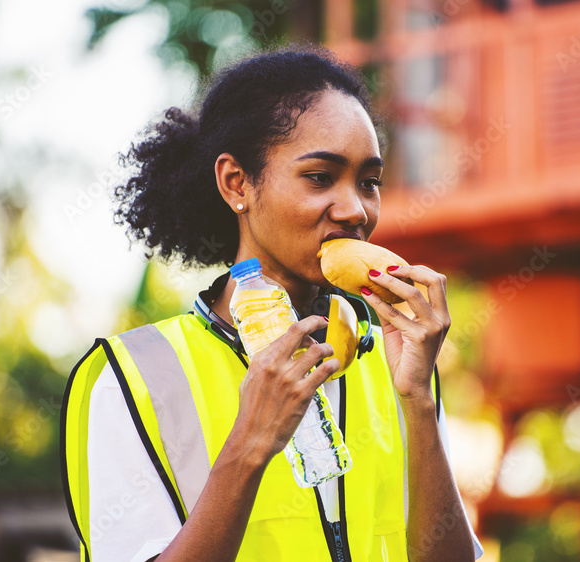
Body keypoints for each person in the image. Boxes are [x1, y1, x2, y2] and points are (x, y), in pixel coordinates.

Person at [60, 44, 483, 562]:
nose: (355, 210)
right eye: (320, 177)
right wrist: (249, 445)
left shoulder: (397, 361)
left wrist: (418, 401)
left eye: (369, 182)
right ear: (237, 183)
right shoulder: (130, 376)